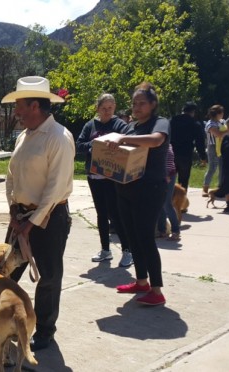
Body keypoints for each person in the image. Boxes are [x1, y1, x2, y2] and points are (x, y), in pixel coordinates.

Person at [2, 76, 74, 351]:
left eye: (19, 105)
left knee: (48, 276)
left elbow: (54, 190)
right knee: (9, 268)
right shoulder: (25, 135)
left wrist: (30, 225)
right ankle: (2, 316)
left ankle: (44, 331)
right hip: (20, 217)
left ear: (34, 106)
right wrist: (13, 208)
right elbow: (12, 174)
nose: (16, 112)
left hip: (48, 218)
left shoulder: (59, 138)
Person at [102, 82, 169, 306]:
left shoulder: (159, 123)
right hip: (126, 189)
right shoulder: (132, 126)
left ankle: (157, 290)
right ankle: (141, 282)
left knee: (145, 239)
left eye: (142, 103)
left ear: (153, 104)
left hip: (150, 190)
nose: (137, 107)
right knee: (131, 237)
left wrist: (122, 139)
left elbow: (156, 140)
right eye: (134, 103)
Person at [75, 94, 133, 267]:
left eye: (110, 108)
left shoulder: (120, 125)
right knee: (101, 213)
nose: (107, 111)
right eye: (103, 108)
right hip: (95, 175)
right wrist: (94, 144)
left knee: (116, 213)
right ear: (97, 108)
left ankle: (127, 250)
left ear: (114, 107)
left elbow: (130, 144)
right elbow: (79, 145)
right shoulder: (90, 125)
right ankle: (105, 250)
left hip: (113, 177)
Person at [169, 102, 206, 190]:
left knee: (169, 179)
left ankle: (168, 199)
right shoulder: (195, 123)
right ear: (193, 112)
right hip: (185, 154)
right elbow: (199, 142)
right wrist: (203, 156)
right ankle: (181, 201)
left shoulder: (172, 120)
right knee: (183, 181)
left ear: (183, 110)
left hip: (171, 153)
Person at [156, 144, 181, 241]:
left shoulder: (166, 145)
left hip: (167, 175)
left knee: (167, 204)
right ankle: (162, 230)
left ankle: (175, 231)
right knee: (160, 203)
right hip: (159, 175)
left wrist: (167, 175)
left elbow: (169, 162)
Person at [202, 105, 226, 196]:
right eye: (221, 112)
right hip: (213, 146)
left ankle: (221, 188)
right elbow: (219, 134)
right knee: (212, 167)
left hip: (222, 146)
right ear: (217, 114)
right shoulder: (210, 124)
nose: (223, 114)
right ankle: (205, 188)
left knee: (222, 167)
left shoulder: (223, 122)